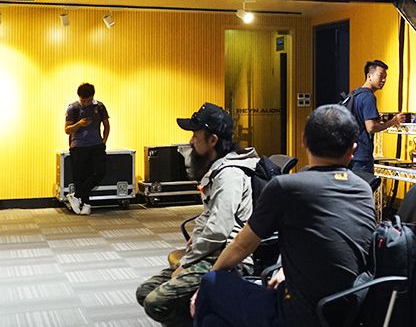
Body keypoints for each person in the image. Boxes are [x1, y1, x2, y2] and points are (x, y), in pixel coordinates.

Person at [193, 104, 376, 327]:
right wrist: (284, 269)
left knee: (211, 283)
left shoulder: (286, 187)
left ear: (303, 140)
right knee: (213, 321)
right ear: (353, 149)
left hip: (295, 314)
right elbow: (332, 246)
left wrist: (204, 287)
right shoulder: (364, 189)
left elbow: (242, 246)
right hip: (345, 311)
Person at [136, 103, 260, 327]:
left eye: (195, 135)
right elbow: (209, 217)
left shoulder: (229, 174)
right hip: (210, 252)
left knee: (157, 302)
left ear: (213, 140)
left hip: (229, 260)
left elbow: (219, 231)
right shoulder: (218, 168)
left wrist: (186, 262)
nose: (191, 141)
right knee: (145, 292)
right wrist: (195, 241)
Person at [348, 59, 405, 174]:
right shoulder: (368, 97)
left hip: (351, 154)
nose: (383, 80)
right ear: (369, 76)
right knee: (364, 185)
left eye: (385, 77)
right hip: (362, 157)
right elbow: (371, 127)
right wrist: (393, 121)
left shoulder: (355, 94)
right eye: (380, 76)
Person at [64, 82, 110, 215]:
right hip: (78, 147)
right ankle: (86, 204)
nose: (85, 103)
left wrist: (104, 141)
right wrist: (79, 124)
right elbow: (67, 130)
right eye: (83, 100)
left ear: (93, 96)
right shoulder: (73, 108)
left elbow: (107, 125)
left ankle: (76, 196)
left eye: (88, 100)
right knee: (81, 177)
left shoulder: (99, 107)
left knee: (100, 172)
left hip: (96, 145)